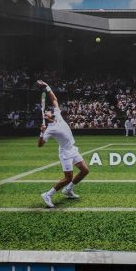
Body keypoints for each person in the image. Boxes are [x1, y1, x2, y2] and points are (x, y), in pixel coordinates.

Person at [37, 79, 90, 208]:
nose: (50, 110)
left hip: (72, 149)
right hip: (65, 153)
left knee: (84, 170)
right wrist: (41, 132)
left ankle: (68, 190)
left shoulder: (58, 115)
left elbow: (54, 99)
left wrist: (47, 87)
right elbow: (40, 145)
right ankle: (48, 194)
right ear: (46, 116)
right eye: (47, 111)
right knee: (67, 178)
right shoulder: (49, 129)